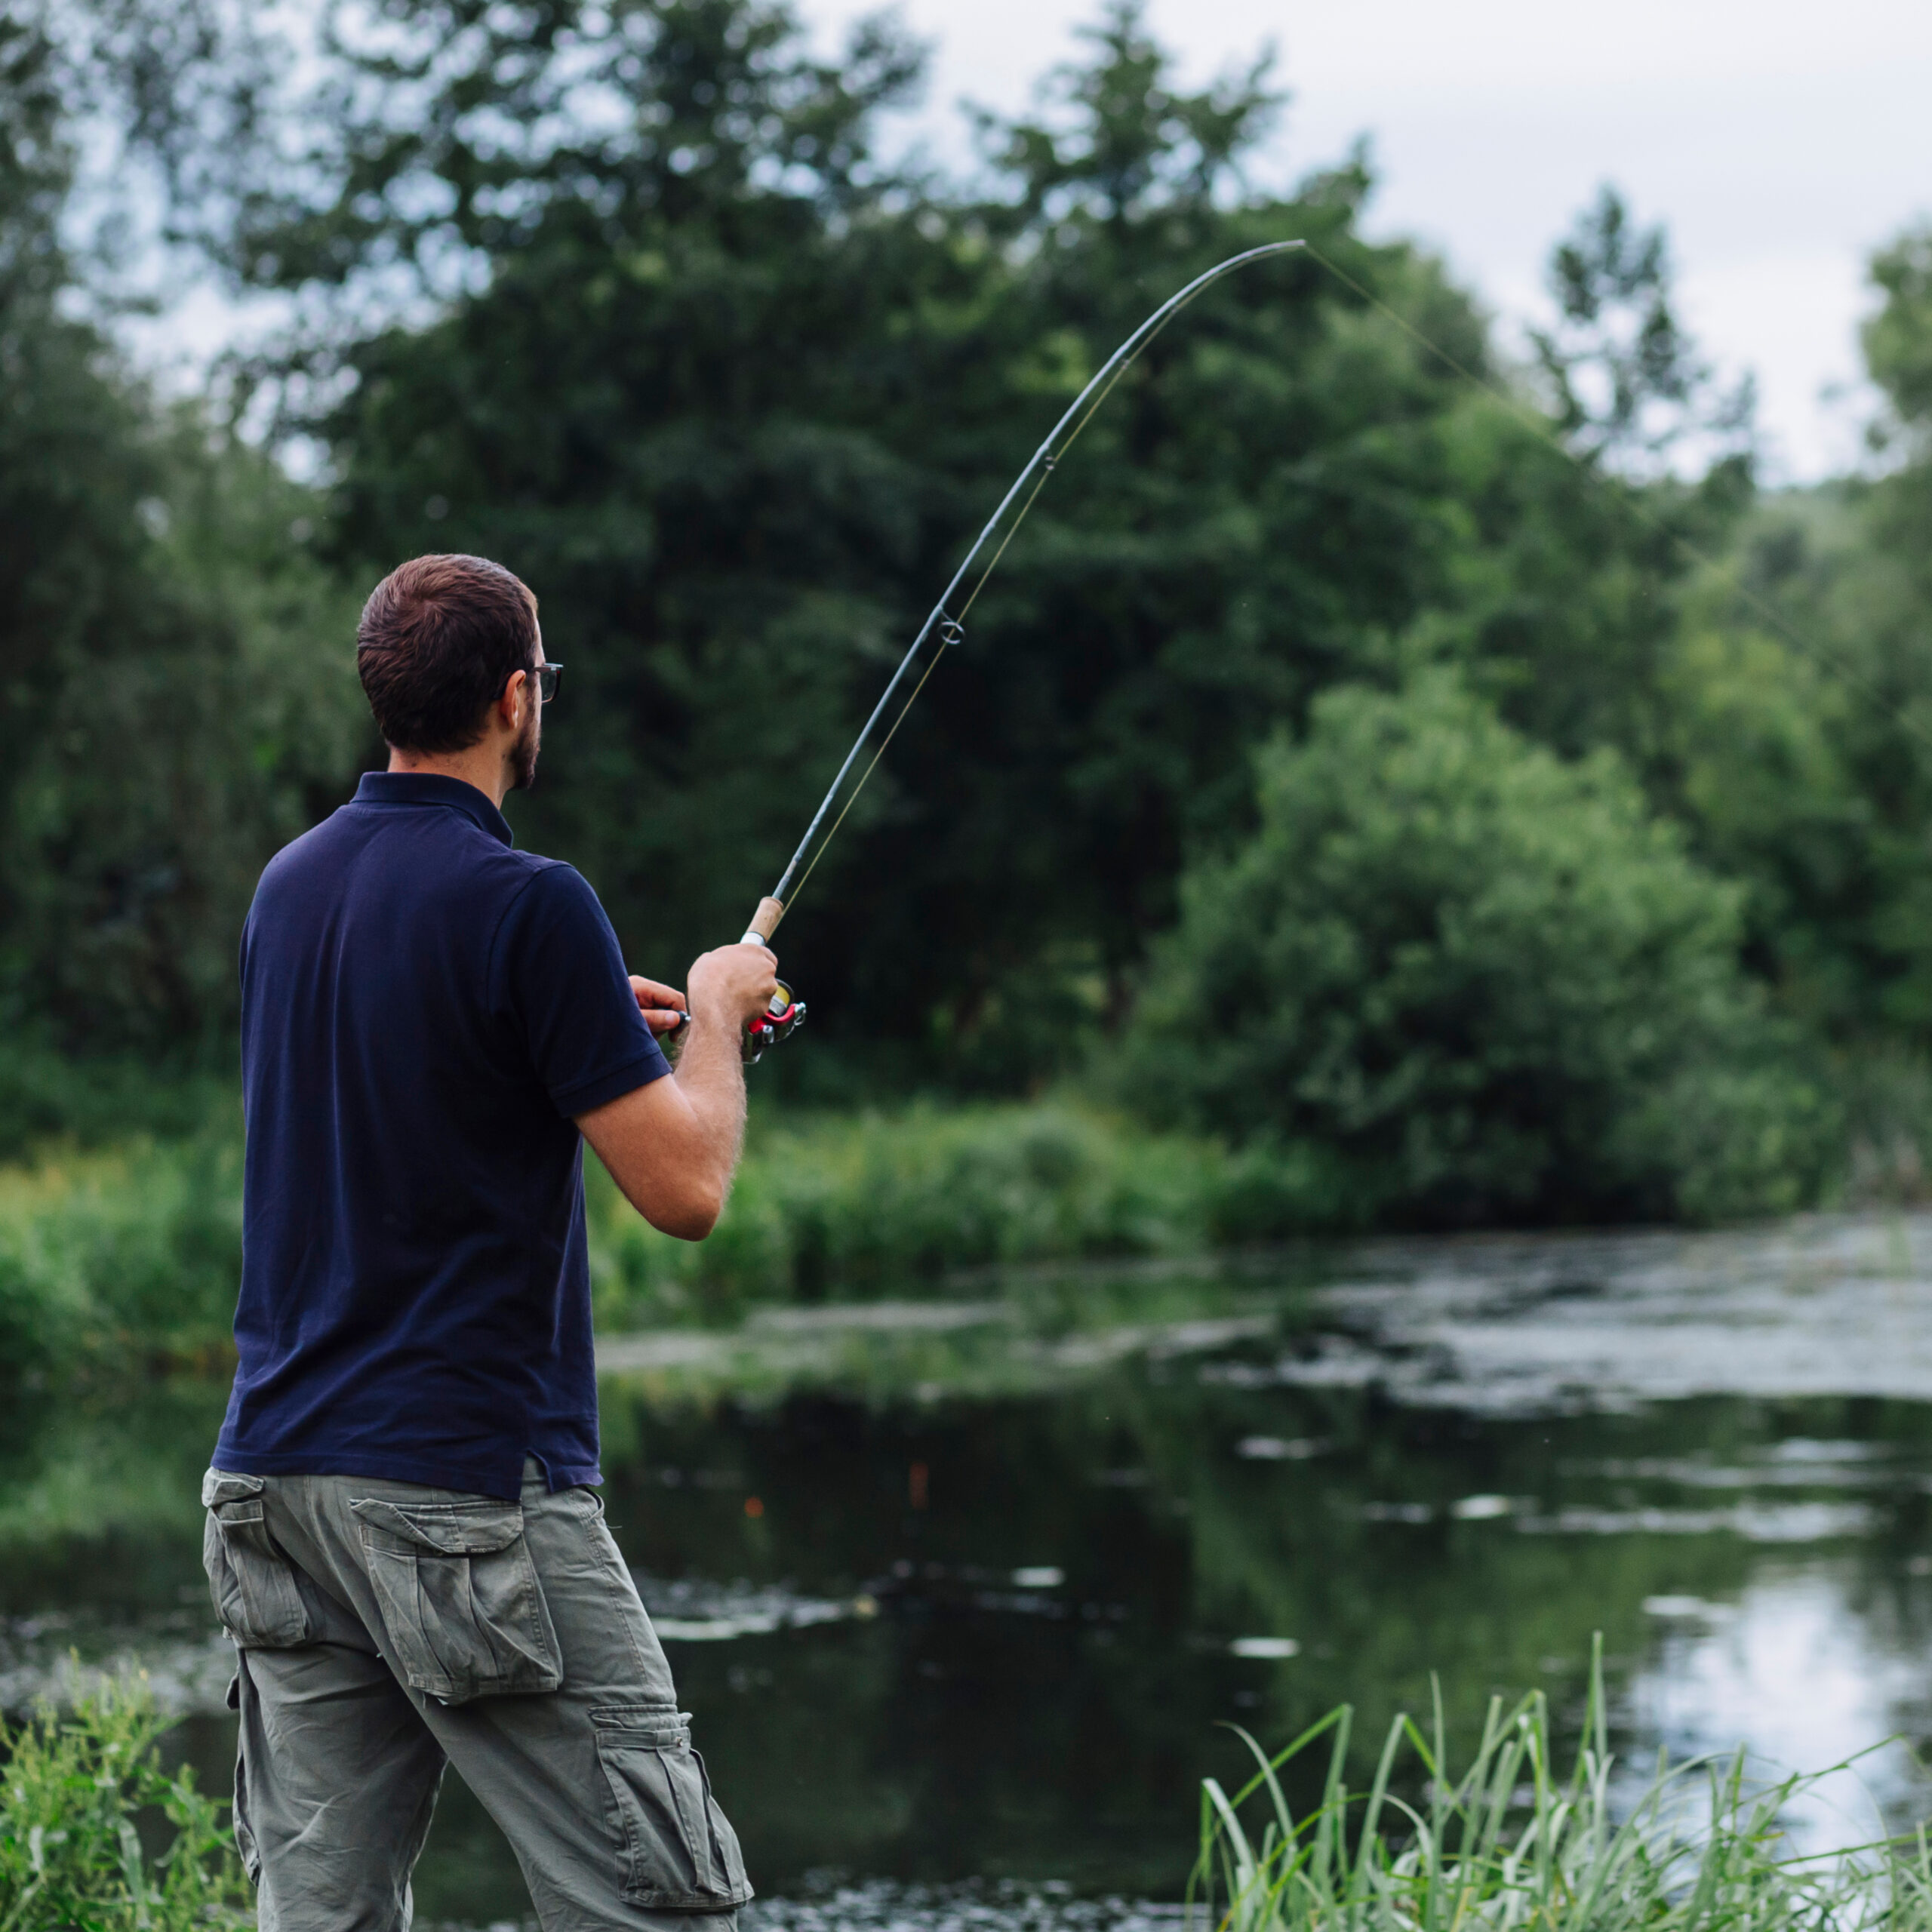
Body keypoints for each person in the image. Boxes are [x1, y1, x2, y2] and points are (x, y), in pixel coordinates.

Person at [200, 552, 778, 1931]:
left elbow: (430, 1069)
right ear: (518, 699)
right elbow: (688, 1187)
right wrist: (715, 1009)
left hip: (271, 1488)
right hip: (460, 1490)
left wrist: (584, 1025)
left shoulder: (288, 889)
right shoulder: (532, 902)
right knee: (664, 1905)